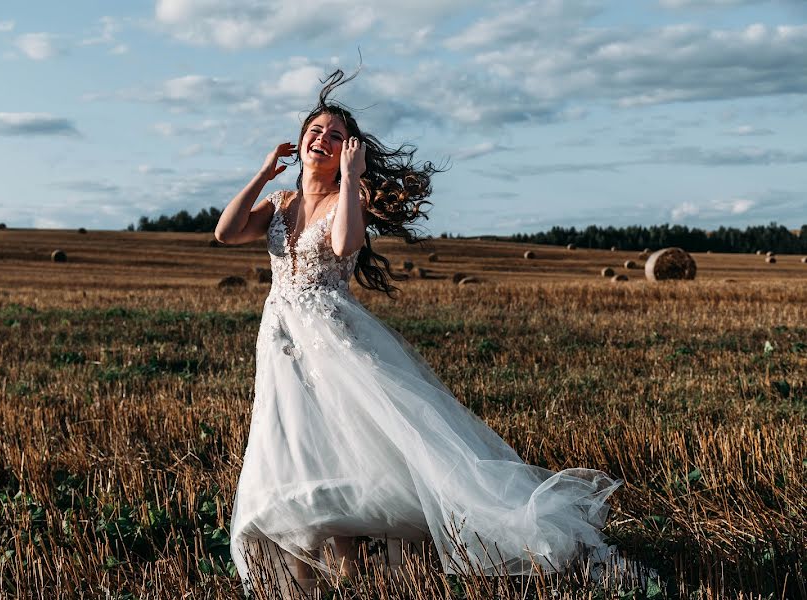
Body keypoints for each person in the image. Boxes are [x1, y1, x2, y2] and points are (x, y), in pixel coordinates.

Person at [215, 69, 622, 597]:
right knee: (295, 445)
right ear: (301, 141)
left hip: (332, 337)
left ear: (346, 152)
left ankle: (365, 556)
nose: (322, 139)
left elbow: (342, 248)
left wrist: (355, 178)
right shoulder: (282, 205)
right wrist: (265, 172)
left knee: (355, 441)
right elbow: (225, 232)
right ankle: (326, 559)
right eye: (316, 130)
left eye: (336, 136)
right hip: (280, 340)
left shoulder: (347, 201)